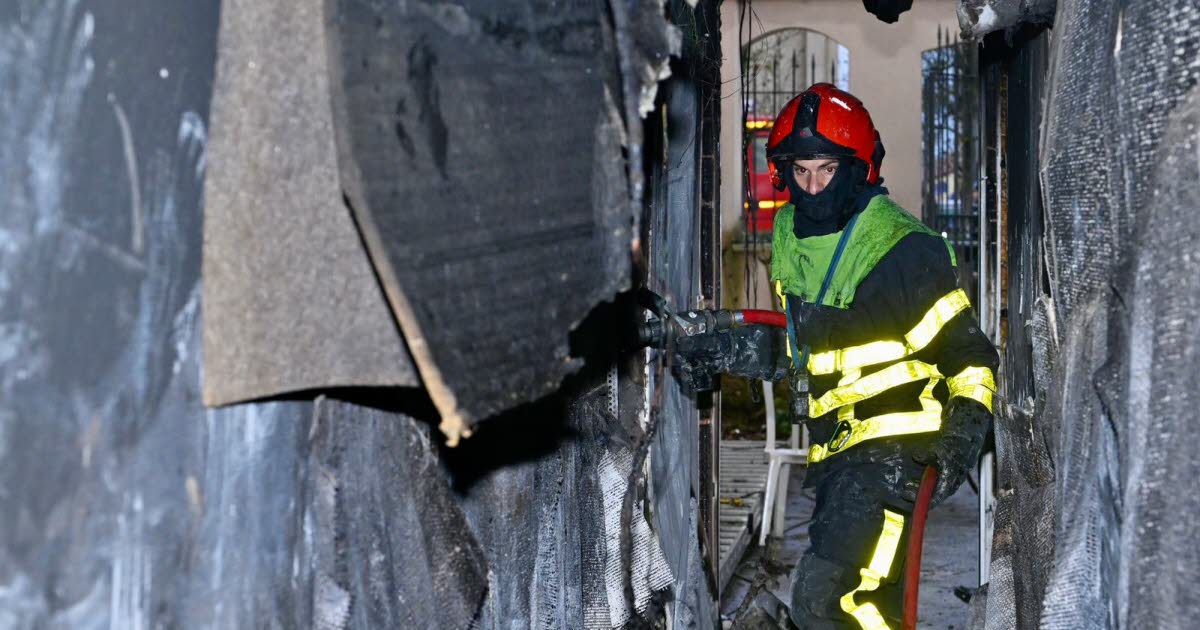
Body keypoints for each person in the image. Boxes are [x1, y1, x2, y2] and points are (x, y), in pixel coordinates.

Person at [676, 84, 998, 629]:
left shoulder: (900, 250)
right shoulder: (795, 236)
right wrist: (730, 347)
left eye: (826, 170)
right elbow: (815, 350)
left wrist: (958, 443)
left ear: (858, 169)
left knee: (836, 605)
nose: (813, 187)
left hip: (898, 456)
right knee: (856, 607)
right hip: (840, 459)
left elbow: (971, 358)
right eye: (800, 172)